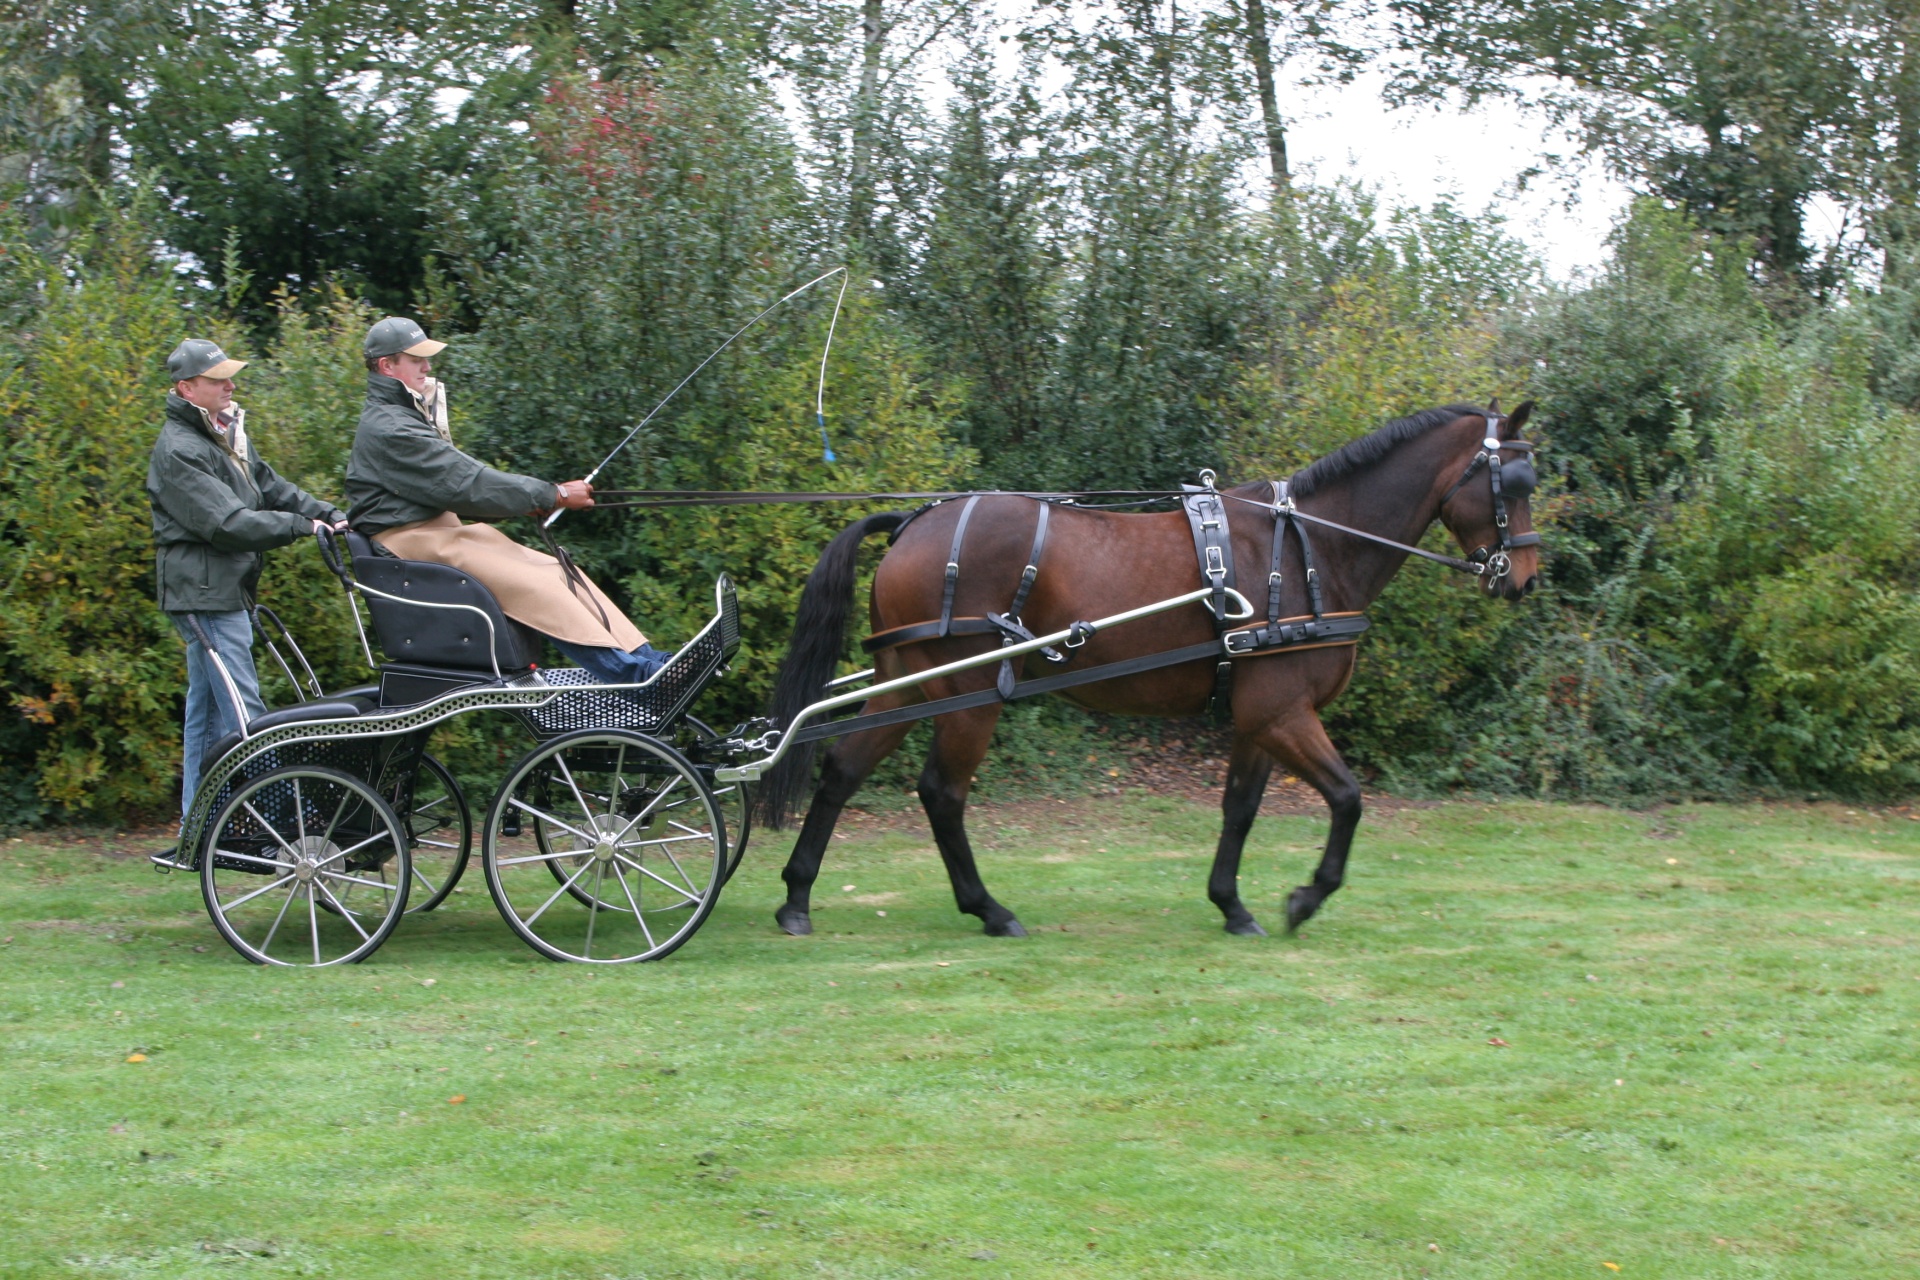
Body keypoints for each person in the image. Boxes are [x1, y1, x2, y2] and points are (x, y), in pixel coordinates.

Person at [343, 317, 672, 683]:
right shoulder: (391, 427)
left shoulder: (401, 415)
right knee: (538, 586)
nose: (427, 366)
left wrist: (538, 499)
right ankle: (636, 678)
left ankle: (650, 661)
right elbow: (468, 482)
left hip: (437, 534)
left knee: (557, 571)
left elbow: (458, 483)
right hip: (410, 547)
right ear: (387, 366)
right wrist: (555, 494)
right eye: (416, 359)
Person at [148, 338, 348, 821]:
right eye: (217, 379)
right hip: (205, 594)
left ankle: (198, 826)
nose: (229, 385)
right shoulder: (179, 450)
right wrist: (301, 527)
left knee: (209, 712)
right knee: (244, 709)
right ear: (186, 388)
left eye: (228, 376)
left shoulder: (224, 434)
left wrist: (329, 514)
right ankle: (282, 818)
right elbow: (229, 524)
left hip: (220, 591)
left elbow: (270, 487)